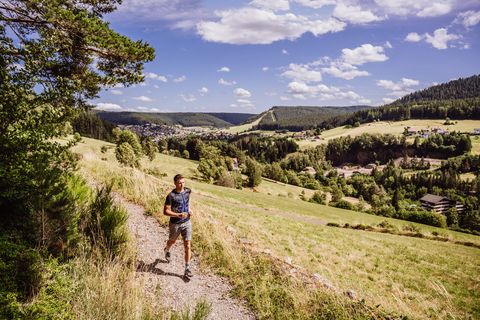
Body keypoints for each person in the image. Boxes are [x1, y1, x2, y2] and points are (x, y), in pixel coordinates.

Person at [163, 174, 193, 278]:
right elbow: (165, 211)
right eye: (180, 183)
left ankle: (187, 268)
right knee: (172, 241)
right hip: (175, 223)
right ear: (175, 183)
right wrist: (178, 215)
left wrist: (189, 209)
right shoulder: (171, 196)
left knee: (187, 245)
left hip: (187, 222)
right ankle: (167, 249)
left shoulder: (188, 191)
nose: (182, 185)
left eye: (183, 182)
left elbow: (188, 202)